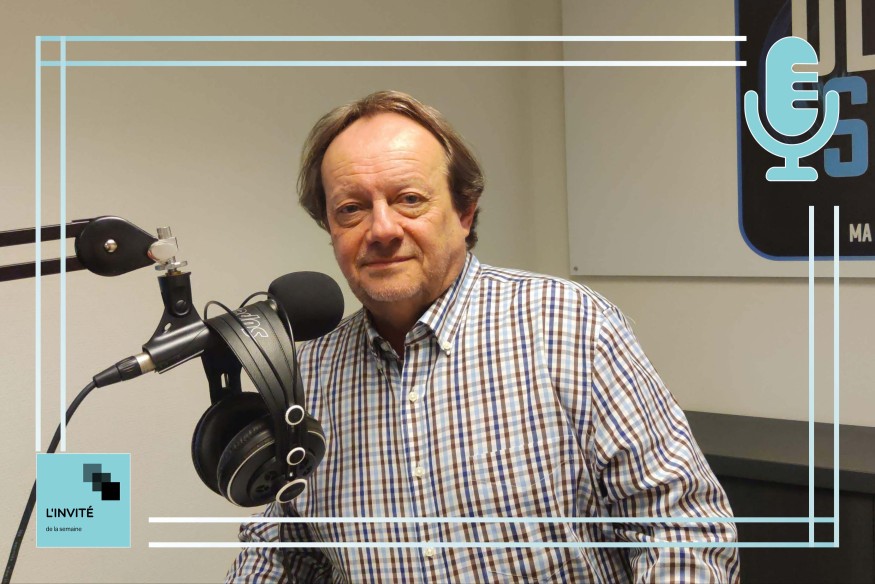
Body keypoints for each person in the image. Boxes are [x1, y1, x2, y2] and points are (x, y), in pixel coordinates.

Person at [226, 90, 739, 583]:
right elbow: (281, 549)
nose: (381, 229)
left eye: (409, 199)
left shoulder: (569, 326)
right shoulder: (308, 375)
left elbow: (681, 526)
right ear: (330, 228)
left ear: (464, 211)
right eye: (351, 209)